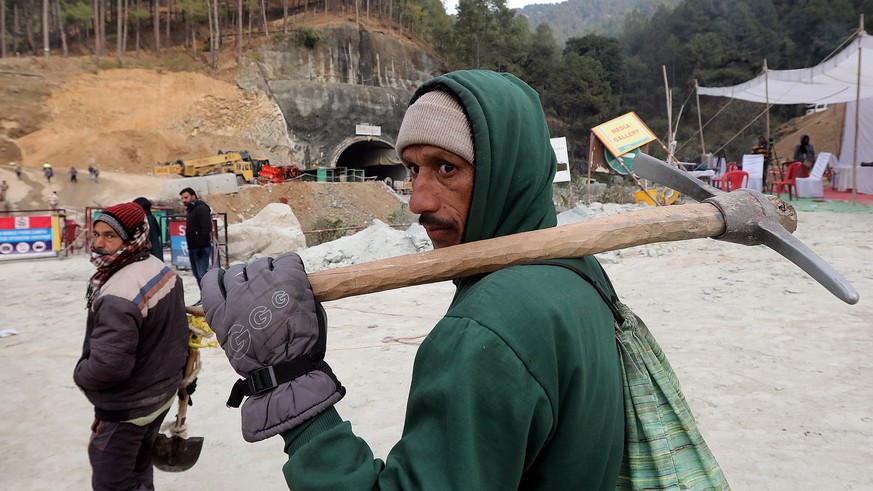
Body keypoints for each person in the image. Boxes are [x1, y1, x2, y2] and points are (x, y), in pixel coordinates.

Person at [201, 70, 625, 488]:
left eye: (446, 167)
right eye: (412, 169)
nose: (417, 201)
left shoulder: (490, 330)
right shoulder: (578, 272)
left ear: (508, 172)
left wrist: (293, 386)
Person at [73, 202, 189, 490]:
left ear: (133, 237)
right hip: (159, 396)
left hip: (129, 407)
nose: (98, 243)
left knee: (113, 478)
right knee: (139, 467)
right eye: (96, 233)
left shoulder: (120, 293)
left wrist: (80, 374)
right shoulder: (160, 269)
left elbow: (108, 367)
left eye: (110, 236)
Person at [179, 187, 213, 289]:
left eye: (186, 197)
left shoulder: (201, 208)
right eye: (182, 198)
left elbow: (206, 227)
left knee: (202, 275)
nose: (184, 200)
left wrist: (201, 246)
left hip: (200, 248)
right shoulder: (191, 209)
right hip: (193, 247)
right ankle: (203, 297)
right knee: (197, 275)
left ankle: (208, 298)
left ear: (193, 196)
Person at [134, 197, 164, 261]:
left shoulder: (146, 220)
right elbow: (159, 233)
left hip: (152, 255)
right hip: (156, 253)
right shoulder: (151, 218)